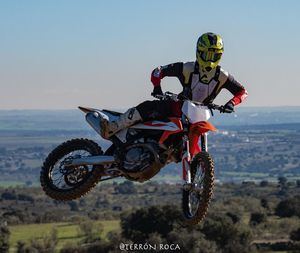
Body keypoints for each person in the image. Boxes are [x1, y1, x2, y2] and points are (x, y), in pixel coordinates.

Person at [100, 32, 248, 141]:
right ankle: (112, 127)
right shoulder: (187, 68)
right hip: (179, 107)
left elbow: (242, 92)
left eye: (214, 56)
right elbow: (158, 71)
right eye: (206, 55)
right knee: (149, 107)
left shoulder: (223, 75)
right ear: (199, 52)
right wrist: (157, 88)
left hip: (200, 114)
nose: (210, 60)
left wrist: (231, 103)